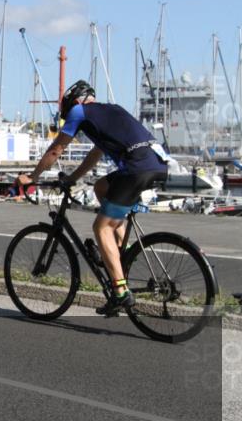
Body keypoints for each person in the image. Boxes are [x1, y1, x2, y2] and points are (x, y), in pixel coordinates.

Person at [17, 80, 169, 317]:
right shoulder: (112, 111)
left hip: (136, 169)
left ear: (76, 103)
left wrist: (32, 176)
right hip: (156, 165)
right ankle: (122, 252)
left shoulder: (79, 111)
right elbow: (95, 154)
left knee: (101, 228)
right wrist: (73, 178)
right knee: (101, 187)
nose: (71, 118)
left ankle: (120, 292)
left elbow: (56, 149)